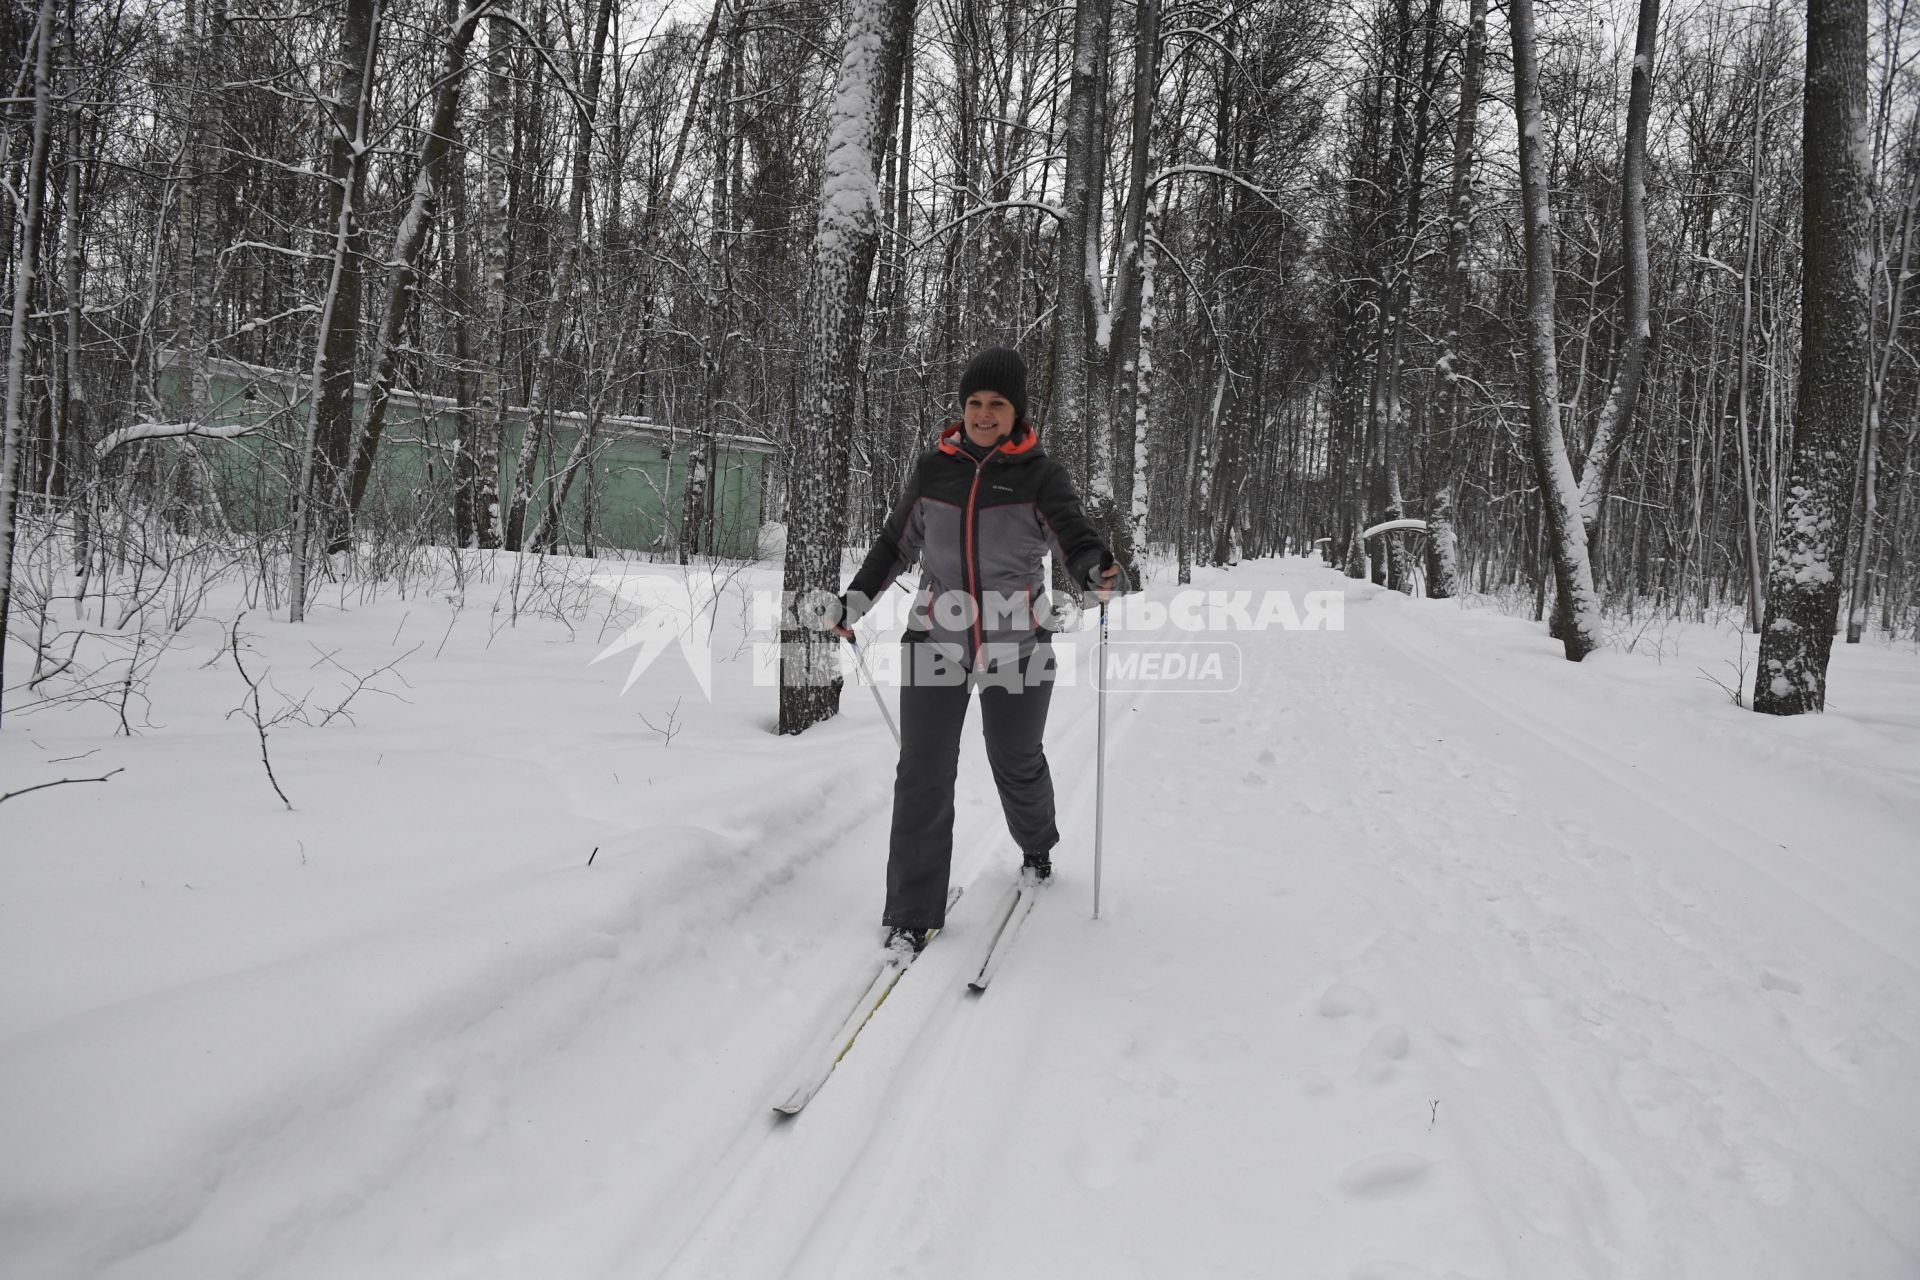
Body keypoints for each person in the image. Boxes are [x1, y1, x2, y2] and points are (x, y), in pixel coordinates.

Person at [834, 347, 1123, 957]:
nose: (983, 413)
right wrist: (854, 601)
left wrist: (1093, 568)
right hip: (935, 637)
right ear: (961, 407)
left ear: (1016, 412)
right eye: (974, 403)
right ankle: (913, 911)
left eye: (997, 404)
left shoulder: (1040, 475)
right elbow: (895, 543)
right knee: (922, 771)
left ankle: (1037, 843)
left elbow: (1072, 531)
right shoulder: (934, 470)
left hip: (1021, 641)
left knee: (1015, 757)